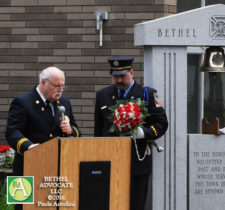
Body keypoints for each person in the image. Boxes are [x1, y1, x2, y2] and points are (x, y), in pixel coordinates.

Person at [94, 56, 168, 210]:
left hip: (137, 161)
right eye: (115, 76)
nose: (119, 80)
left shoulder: (147, 94)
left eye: (123, 76)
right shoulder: (103, 95)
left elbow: (162, 123)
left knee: (135, 204)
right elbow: (99, 130)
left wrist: (144, 132)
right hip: (110, 160)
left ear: (132, 73)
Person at [6, 66, 81, 176]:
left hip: (57, 167)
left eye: (62, 86)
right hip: (27, 166)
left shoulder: (65, 103)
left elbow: (77, 131)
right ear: (43, 82)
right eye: (56, 86)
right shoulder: (23, 102)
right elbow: (12, 132)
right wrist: (29, 146)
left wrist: (71, 131)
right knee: (23, 193)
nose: (60, 90)